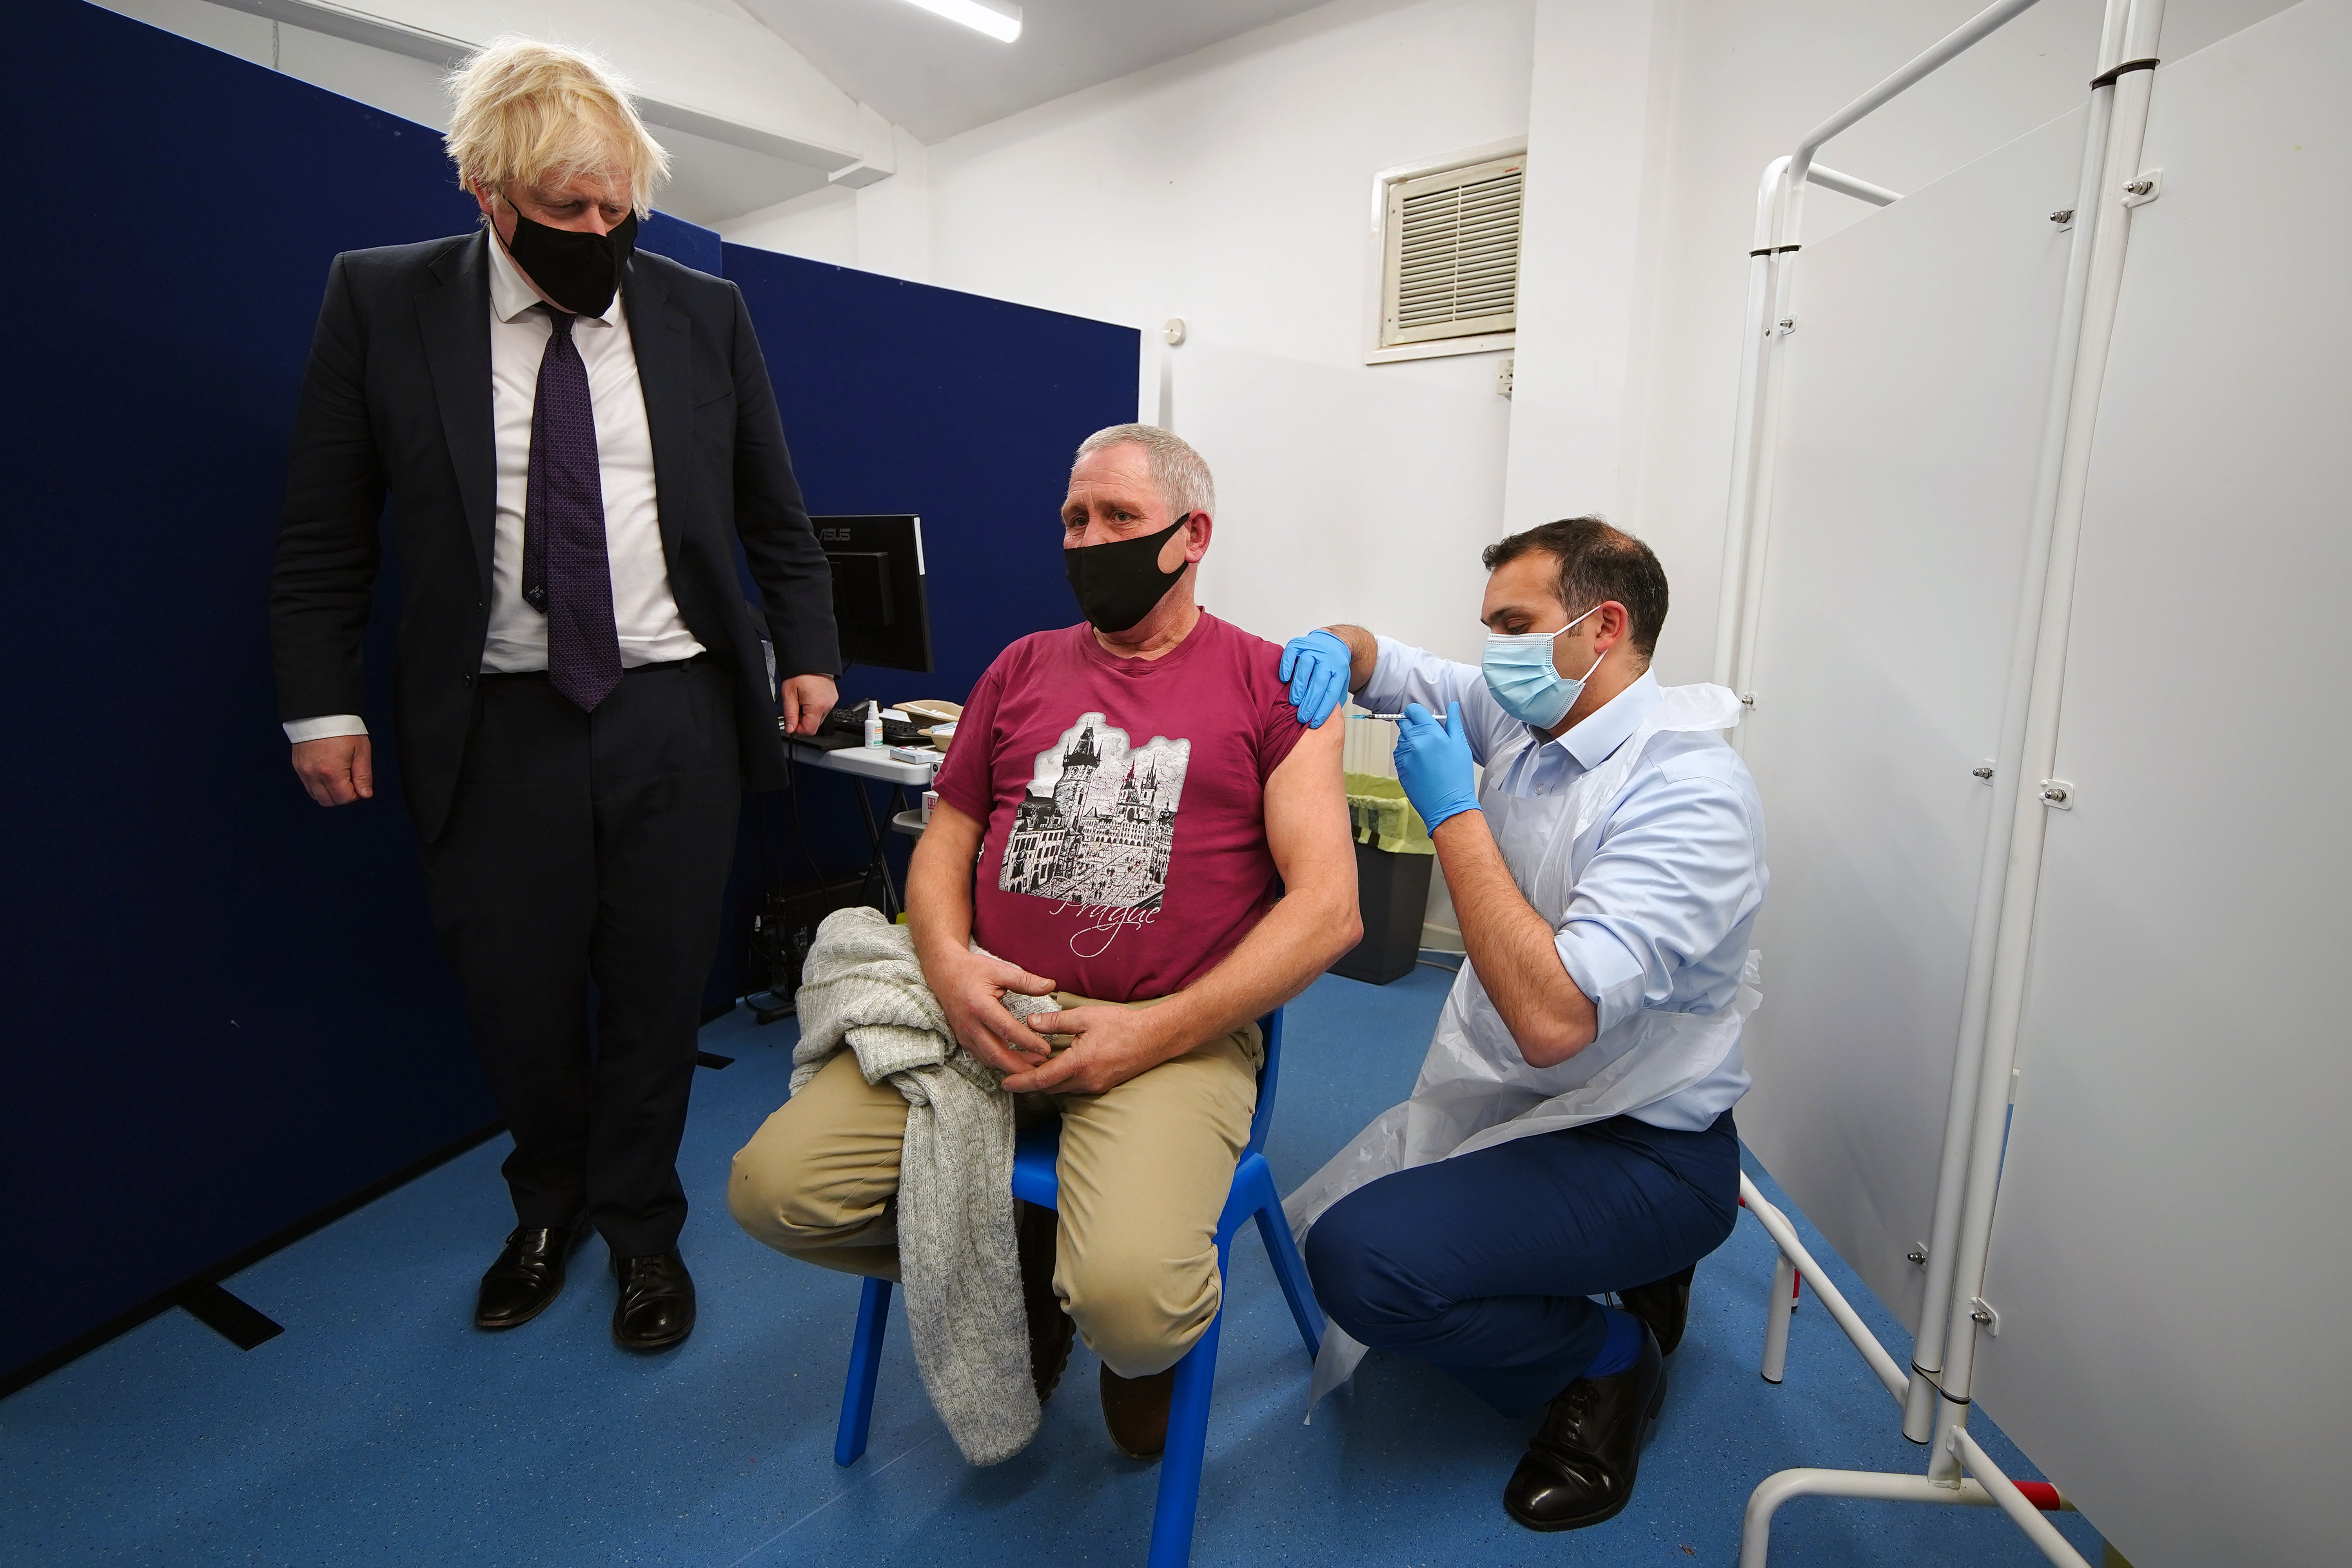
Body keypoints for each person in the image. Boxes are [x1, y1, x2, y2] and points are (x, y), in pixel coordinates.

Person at [269, 39, 839, 1352]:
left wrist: (806, 645)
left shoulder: (701, 312)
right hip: (496, 718)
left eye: (617, 206)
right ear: (485, 189)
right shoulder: (382, 301)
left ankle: (642, 1228)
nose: (600, 232)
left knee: (654, 986)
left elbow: (772, 503)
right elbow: (323, 528)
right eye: (567, 210)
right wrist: (319, 704)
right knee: (516, 993)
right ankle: (549, 1204)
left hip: (672, 711)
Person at [729, 425, 1359, 1458]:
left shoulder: (1269, 688)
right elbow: (946, 842)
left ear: (1192, 536)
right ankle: (1015, 1259)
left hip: (1171, 1038)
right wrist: (947, 962)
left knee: (1134, 1306)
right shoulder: (1022, 668)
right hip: (985, 1019)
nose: (1087, 539)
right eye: (1074, 518)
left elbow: (1330, 909)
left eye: (1119, 518)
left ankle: (1114, 1343)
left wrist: (1148, 1033)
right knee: (774, 1195)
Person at [1275, 517, 1764, 1532]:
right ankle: (1615, 1276)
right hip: (1542, 1102)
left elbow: (1554, 1021)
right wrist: (1336, 646)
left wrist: (1454, 816)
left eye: (1514, 623)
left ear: (1603, 627)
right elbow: (1380, 660)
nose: (1493, 651)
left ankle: (1609, 1365)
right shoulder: (1529, 718)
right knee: (1347, 1235)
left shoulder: (1689, 793)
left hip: (1648, 1141)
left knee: (1363, 1263)